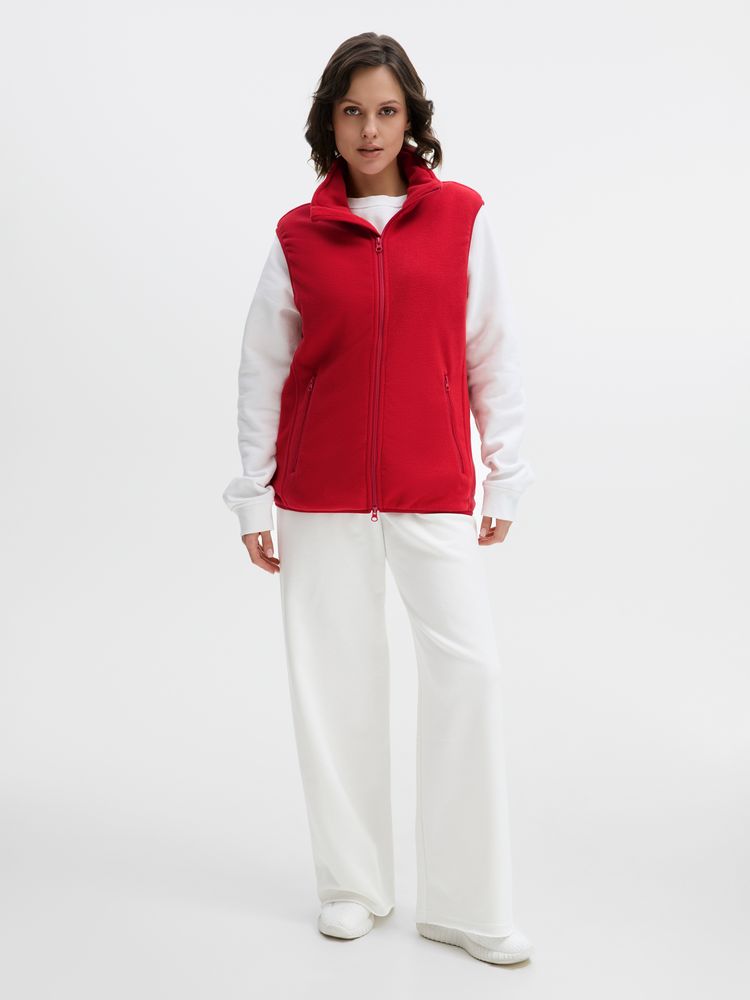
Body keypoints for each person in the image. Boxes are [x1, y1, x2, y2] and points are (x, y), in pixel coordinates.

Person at [222, 32, 536, 966]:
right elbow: (263, 369)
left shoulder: (462, 218)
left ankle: (468, 904)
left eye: (387, 110)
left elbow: (491, 350)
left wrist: (506, 470)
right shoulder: (298, 236)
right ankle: (353, 885)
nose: (370, 128)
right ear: (330, 120)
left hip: (432, 486)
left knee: (470, 674)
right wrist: (253, 496)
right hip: (319, 495)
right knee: (337, 686)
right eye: (353, 110)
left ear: (412, 119)